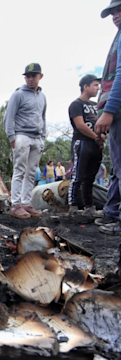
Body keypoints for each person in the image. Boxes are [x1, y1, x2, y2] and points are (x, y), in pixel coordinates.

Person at [4, 63, 46, 219]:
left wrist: (43, 136)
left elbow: (43, 117)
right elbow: (9, 117)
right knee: (19, 170)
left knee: (32, 172)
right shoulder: (18, 94)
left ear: (40, 76)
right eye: (27, 76)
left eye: (33, 76)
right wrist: (12, 138)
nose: (30, 79)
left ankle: (27, 203)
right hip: (22, 135)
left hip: (37, 137)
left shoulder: (42, 96)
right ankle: (15, 204)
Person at [95, 0, 121, 234]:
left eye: (119, 10)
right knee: (117, 167)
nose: (115, 16)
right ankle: (112, 214)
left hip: (118, 110)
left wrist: (109, 110)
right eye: (113, 12)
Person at [68, 74, 104, 216]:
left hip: (96, 145)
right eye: (95, 85)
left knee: (90, 177)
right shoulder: (76, 104)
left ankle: (89, 207)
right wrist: (96, 138)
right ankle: (73, 206)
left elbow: (102, 124)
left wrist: (102, 137)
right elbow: (80, 125)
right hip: (82, 142)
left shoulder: (96, 106)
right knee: (78, 176)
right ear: (86, 86)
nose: (98, 88)